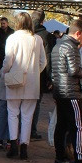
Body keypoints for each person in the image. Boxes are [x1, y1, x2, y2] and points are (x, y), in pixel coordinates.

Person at [51, 18, 82, 163]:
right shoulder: (71, 47)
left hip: (59, 91)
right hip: (70, 92)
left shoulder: (58, 46)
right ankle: (79, 159)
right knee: (78, 126)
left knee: (62, 124)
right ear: (78, 34)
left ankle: (60, 157)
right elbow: (74, 71)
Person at [1, 12, 46, 160]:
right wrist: (33, 72)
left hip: (14, 79)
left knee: (12, 112)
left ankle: (13, 144)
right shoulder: (37, 39)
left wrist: (5, 72)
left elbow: (8, 60)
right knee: (28, 115)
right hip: (32, 82)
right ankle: (24, 146)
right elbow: (43, 62)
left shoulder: (12, 38)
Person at [30, 10, 56, 140]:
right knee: (35, 103)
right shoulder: (47, 36)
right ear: (42, 21)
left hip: (24, 74)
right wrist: (50, 77)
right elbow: (48, 58)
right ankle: (31, 130)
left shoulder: (26, 34)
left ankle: (21, 130)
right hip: (40, 75)